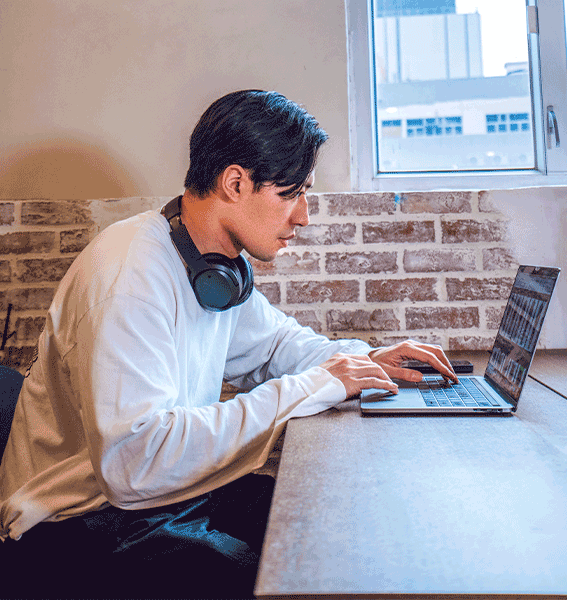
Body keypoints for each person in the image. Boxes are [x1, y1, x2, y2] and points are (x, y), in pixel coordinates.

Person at [0, 90, 457, 598]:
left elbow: (273, 348)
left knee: (331, 518)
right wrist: (318, 385)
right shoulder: (130, 276)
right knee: (298, 575)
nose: (303, 216)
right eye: (291, 194)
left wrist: (364, 360)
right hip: (81, 524)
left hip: (162, 497)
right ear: (235, 183)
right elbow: (134, 464)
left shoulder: (206, 266)